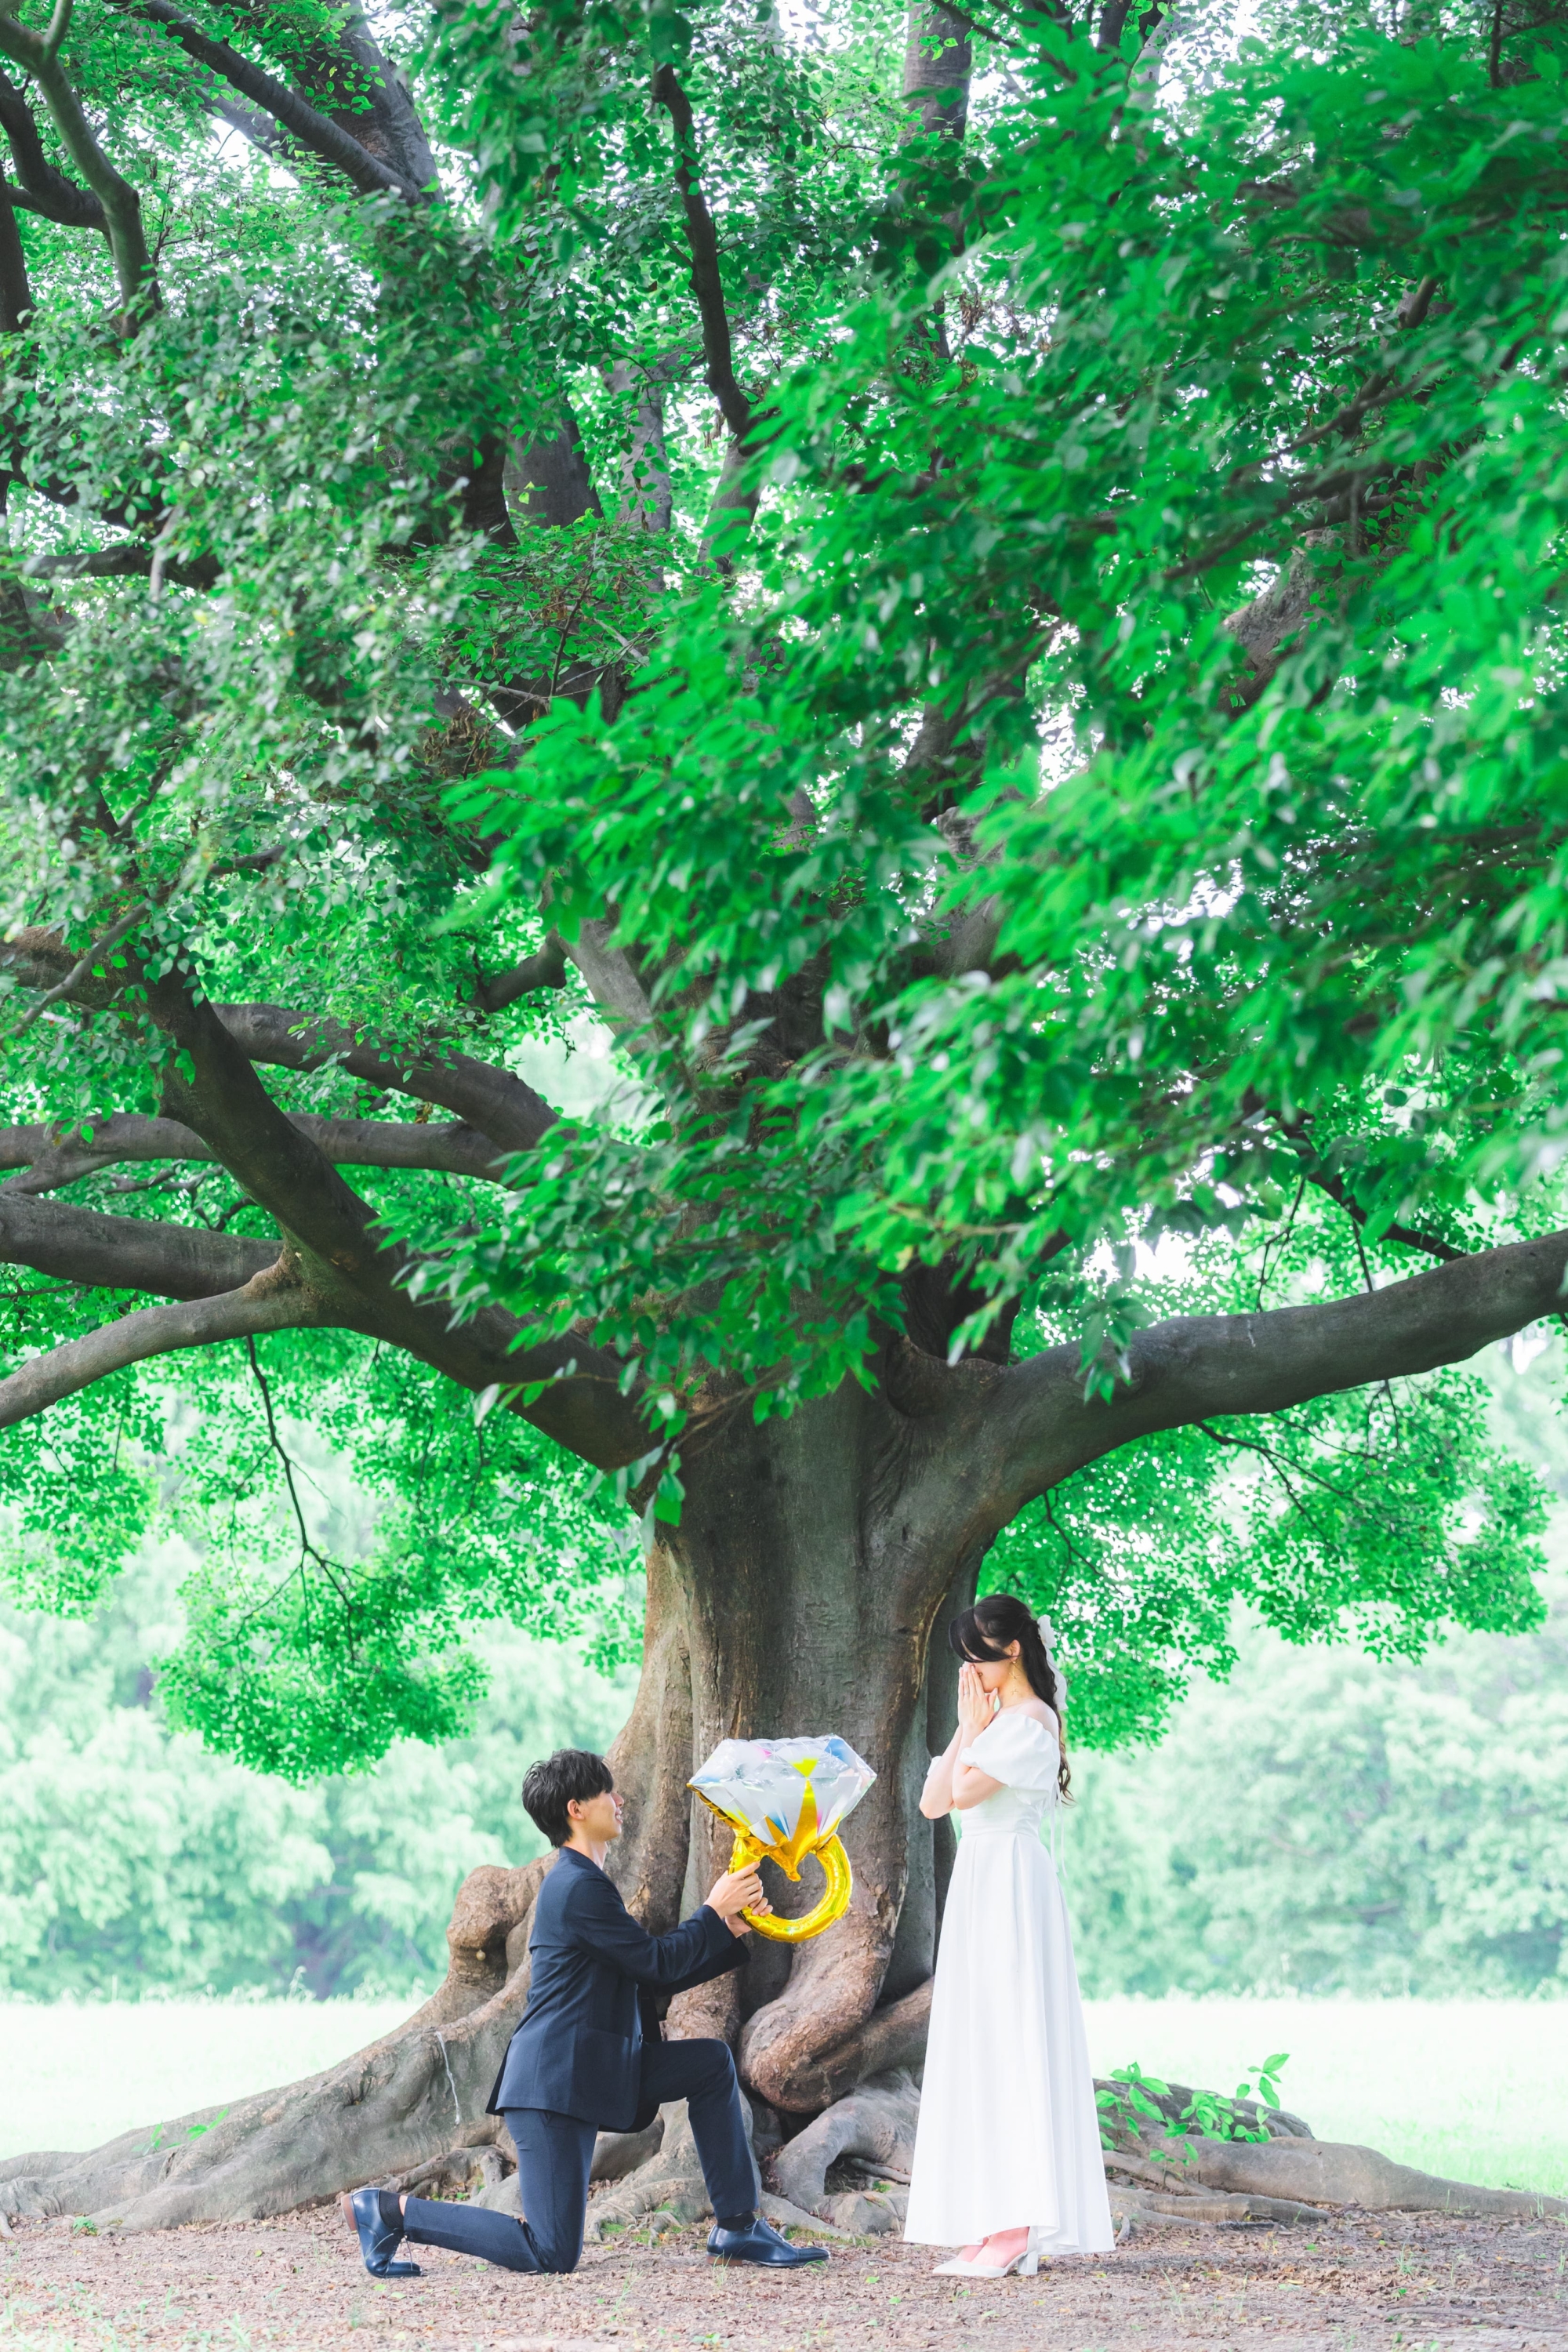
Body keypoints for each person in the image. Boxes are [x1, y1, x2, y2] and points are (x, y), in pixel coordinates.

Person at [343, 1747, 828, 2277]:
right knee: (550, 2251)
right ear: (577, 1808)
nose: (619, 1801)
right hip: (553, 2084)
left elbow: (644, 1978)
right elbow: (655, 1964)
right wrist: (712, 1910)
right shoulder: (575, 1886)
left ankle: (737, 2226)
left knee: (710, 2064)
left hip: (598, 2067)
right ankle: (390, 2211)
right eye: (607, 1793)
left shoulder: (586, 1883)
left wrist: (728, 1930)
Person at [902, 1595, 1114, 2278]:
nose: (973, 1674)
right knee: (980, 2045)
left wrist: (972, 1729)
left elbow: (963, 1796)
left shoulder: (1031, 1723)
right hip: (980, 1882)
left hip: (1014, 1885)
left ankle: (1018, 2224)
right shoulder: (990, 1721)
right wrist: (968, 1729)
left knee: (1014, 2041)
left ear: (1011, 1651)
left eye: (979, 1660)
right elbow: (933, 1802)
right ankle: (993, 2218)